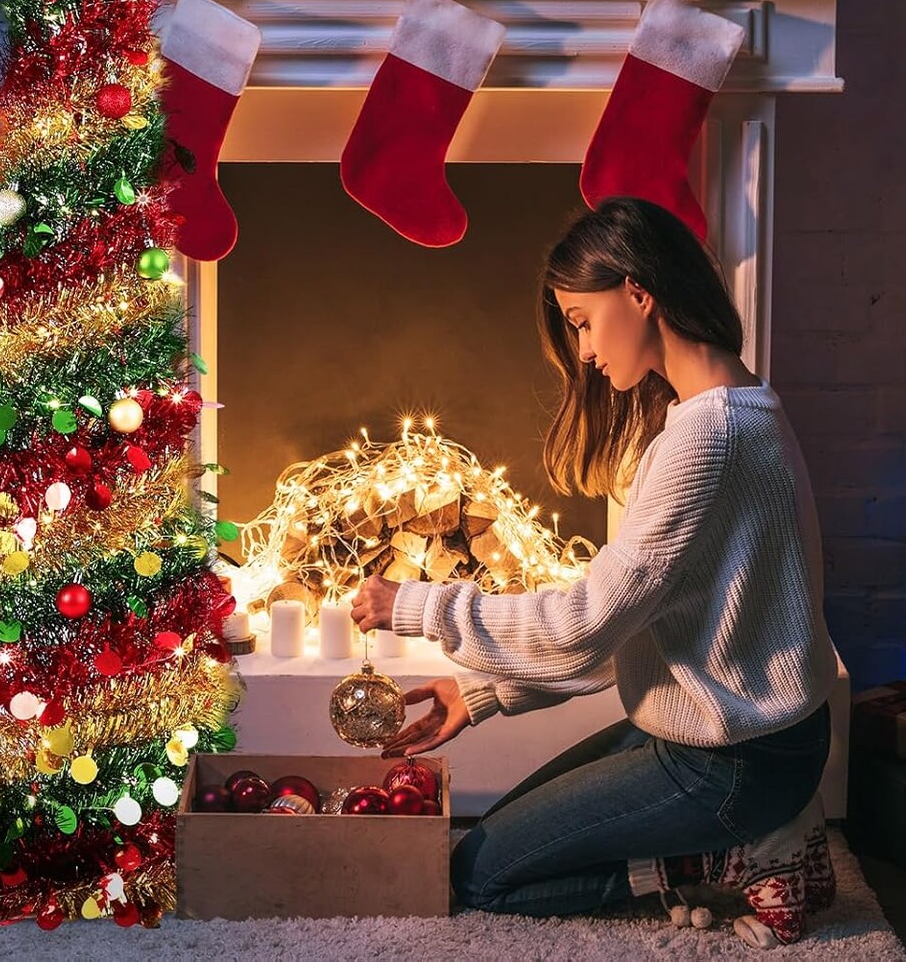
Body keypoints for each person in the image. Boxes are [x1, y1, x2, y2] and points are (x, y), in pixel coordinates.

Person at [351, 196, 839, 949]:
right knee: (496, 845)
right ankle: (750, 838)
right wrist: (482, 693)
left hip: (733, 763)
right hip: (730, 738)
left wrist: (416, 606)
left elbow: (581, 626)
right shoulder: (733, 408)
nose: (581, 350)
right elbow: (634, 621)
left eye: (582, 320)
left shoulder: (706, 442)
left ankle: (732, 855)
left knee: (481, 877)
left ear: (639, 292)